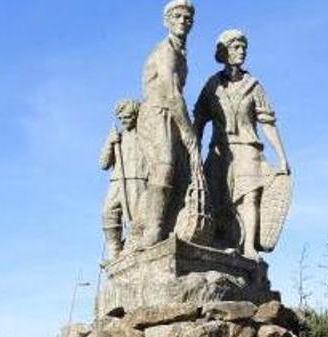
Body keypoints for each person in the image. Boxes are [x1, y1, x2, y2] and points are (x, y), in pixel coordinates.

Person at [193, 28, 290, 259]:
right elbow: (199, 120)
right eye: (236, 47)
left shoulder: (254, 86)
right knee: (217, 197)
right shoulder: (212, 85)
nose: (242, 51)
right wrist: (192, 150)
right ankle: (224, 242)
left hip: (247, 147)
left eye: (244, 47)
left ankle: (248, 247)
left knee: (250, 197)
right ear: (224, 52)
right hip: (219, 150)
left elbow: (267, 123)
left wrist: (282, 157)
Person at [136, 0, 205, 246]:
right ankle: (152, 231)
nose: (183, 21)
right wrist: (189, 133)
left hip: (172, 114)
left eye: (187, 18)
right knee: (164, 166)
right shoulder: (165, 51)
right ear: (167, 21)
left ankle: (173, 226)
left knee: (181, 172)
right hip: (158, 113)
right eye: (177, 16)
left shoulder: (181, 54)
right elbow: (172, 94)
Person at [98, 99, 149, 260]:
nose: (123, 121)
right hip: (117, 181)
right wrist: (109, 143)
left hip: (137, 181)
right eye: (120, 119)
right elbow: (103, 164)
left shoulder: (146, 135)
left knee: (135, 221)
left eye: (126, 117)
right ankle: (114, 252)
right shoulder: (117, 138)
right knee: (108, 213)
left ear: (136, 115)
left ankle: (133, 252)